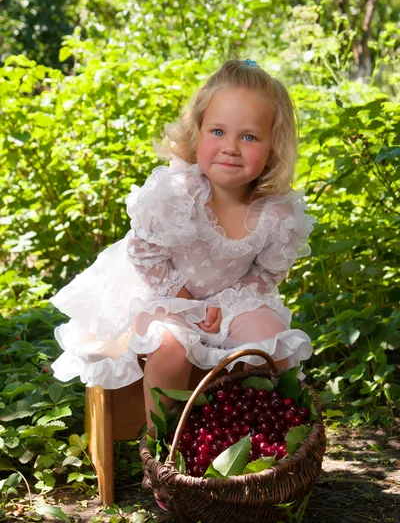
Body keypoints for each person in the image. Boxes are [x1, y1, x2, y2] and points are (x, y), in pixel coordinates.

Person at [51, 59, 316, 427]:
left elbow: (266, 274)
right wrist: (186, 300)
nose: (231, 148)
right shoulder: (176, 193)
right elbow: (144, 254)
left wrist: (227, 303)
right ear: (197, 133)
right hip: (161, 292)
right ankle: (166, 450)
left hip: (229, 299)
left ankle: (253, 437)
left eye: (249, 137)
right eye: (218, 131)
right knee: (172, 346)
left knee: (269, 341)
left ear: (274, 148)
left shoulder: (276, 214)